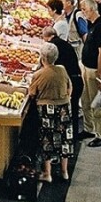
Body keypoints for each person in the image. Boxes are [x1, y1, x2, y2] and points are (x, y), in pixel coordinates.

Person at [27, 42, 74, 182]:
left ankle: (48, 174)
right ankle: (65, 171)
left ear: (42, 58)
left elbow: (31, 93)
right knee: (65, 138)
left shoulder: (38, 74)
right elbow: (69, 87)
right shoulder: (62, 69)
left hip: (47, 109)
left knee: (47, 139)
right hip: (64, 106)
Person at [42, 26, 83, 143]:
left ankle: (66, 139)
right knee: (73, 110)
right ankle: (73, 137)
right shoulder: (64, 44)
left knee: (66, 113)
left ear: (47, 37)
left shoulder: (53, 47)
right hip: (77, 79)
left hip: (71, 83)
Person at [79, 0, 101, 147]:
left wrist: (99, 72)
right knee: (86, 101)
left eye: (84, 9)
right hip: (86, 68)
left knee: (97, 103)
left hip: (94, 70)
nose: (83, 12)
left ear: (92, 9)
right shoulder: (91, 24)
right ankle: (88, 128)